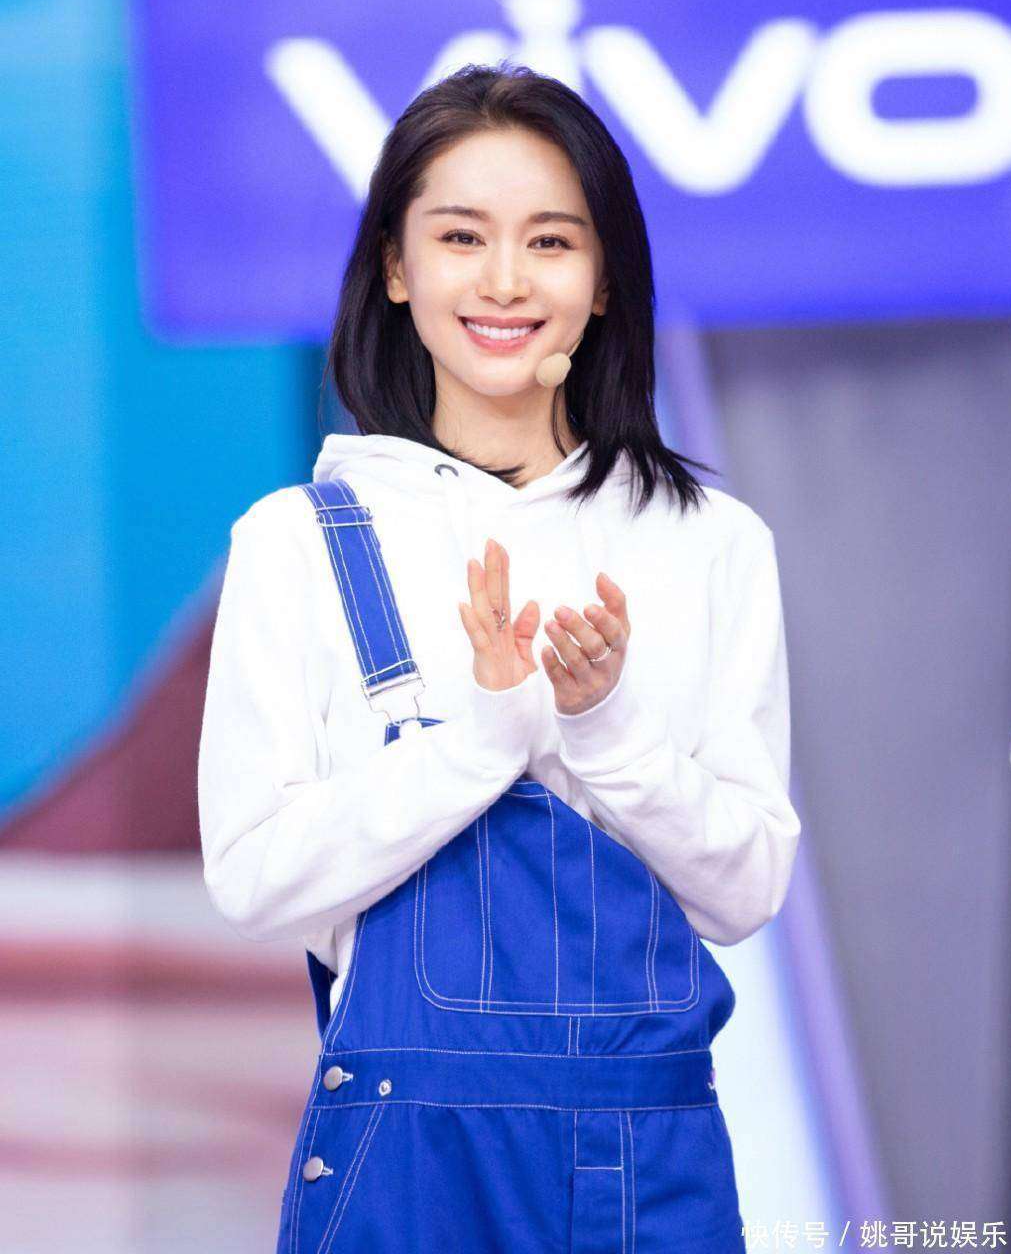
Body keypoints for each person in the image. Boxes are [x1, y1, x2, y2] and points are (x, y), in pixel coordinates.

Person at [197, 62, 802, 1253]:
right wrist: (480, 737)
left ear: (605, 277)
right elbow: (254, 876)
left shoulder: (709, 542)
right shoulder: (299, 542)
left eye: (551, 241)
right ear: (395, 266)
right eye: (461, 236)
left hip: (648, 1163)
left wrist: (603, 726)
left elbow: (743, 893)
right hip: (407, 1162)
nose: (506, 281)